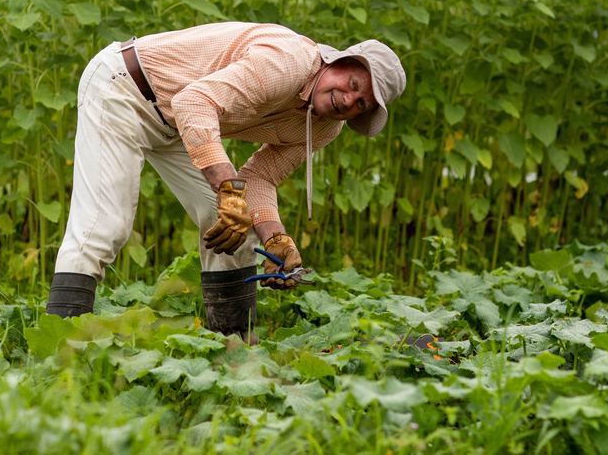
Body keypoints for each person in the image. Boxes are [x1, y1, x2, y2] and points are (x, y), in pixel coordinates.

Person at [45, 22, 406, 337]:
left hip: (176, 122)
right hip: (124, 89)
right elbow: (194, 103)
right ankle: (61, 347)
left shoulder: (325, 126)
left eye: (363, 103)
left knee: (240, 226)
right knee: (105, 224)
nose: (348, 99)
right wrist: (227, 189)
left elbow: (261, 177)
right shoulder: (287, 62)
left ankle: (232, 347)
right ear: (339, 63)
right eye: (353, 83)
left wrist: (276, 237)